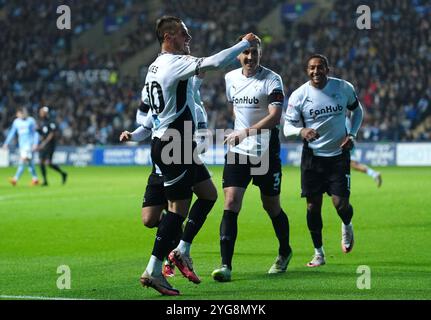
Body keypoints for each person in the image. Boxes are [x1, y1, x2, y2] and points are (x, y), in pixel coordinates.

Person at [137, 15, 257, 296]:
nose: (188, 39)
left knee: (208, 194)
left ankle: (180, 250)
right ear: (168, 37)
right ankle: (153, 271)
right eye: (183, 34)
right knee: (178, 209)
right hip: (173, 143)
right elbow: (214, 63)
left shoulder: (154, 66)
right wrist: (244, 43)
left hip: (175, 143)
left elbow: (211, 68)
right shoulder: (173, 64)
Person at [211, 35, 292, 282]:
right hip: (238, 151)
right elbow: (234, 105)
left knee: (271, 206)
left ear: (260, 54)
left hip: (266, 151)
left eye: (254, 52)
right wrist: (240, 130)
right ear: (238, 55)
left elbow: (275, 117)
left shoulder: (272, 79)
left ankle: (285, 251)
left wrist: (246, 131)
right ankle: (226, 265)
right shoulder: (230, 78)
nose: (250, 57)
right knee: (231, 202)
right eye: (246, 52)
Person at [120, 73, 209, 278]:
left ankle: (171, 258)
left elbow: (203, 144)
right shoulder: (163, 107)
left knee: (177, 210)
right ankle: (176, 244)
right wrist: (131, 136)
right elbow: (145, 127)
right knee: (149, 219)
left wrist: (190, 146)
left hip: (182, 165)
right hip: (158, 171)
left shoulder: (196, 110)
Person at [283, 54, 364, 267]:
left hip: (338, 156)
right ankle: (318, 253)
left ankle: (347, 224)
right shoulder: (299, 95)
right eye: (311, 68)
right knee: (312, 207)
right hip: (313, 159)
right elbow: (287, 127)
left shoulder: (343, 88)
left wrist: (352, 134)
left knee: (341, 204)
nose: (315, 71)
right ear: (306, 70)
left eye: (320, 67)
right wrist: (302, 130)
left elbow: (357, 111)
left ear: (327, 69)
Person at [2, 108, 40, 186]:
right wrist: (6, 143)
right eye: (20, 113)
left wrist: (35, 143)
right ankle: (35, 179)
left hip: (29, 145)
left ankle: (15, 179)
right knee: (29, 163)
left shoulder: (31, 121)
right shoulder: (16, 122)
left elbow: (36, 133)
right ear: (17, 114)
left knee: (23, 161)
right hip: (21, 145)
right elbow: (12, 132)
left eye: (23, 113)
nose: (22, 115)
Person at [346, 117, 382, 187]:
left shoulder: (343, 119)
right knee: (352, 165)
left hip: (346, 145)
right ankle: (374, 174)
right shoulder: (344, 119)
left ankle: (374, 174)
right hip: (347, 144)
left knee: (353, 164)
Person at [37, 106, 68, 186]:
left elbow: (52, 134)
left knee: (48, 163)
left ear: (45, 113)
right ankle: (45, 181)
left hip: (50, 145)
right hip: (43, 144)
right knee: (41, 162)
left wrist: (44, 143)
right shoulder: (42, 122)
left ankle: (63, 173)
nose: (40, 113)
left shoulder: (51, 121)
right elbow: (43, 133)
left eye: (41, 112)